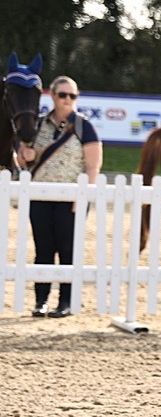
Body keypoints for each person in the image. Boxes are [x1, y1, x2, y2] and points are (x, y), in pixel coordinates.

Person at [15, 76, 102, 317]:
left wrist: (84, 196)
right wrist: (25, 156)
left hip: (71, 198)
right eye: (62, 94)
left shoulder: (84, 126)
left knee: (67, 250)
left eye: (72, 96)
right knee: (43, 250)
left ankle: (65, 302)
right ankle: (40, 301)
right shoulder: (38, 125)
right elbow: (22, 159)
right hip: (40, 196)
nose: (67, 100)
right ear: (52, 95)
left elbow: (93, 165)